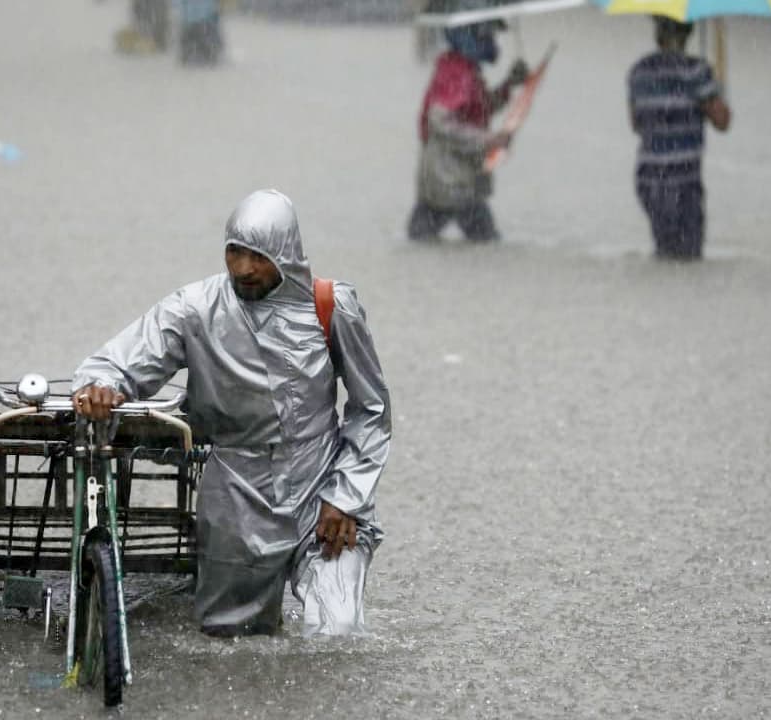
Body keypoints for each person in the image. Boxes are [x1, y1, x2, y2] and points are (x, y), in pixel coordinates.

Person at [71, 190, 391, 638]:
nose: (243, 268)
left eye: (257, 256)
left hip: (321, 488)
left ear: (286, 255)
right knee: (231, 640)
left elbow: (371, 407)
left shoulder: (331, 307)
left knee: (336, 632)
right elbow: (116, 362)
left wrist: (346, 496)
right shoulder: (195, 309)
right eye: (234, 252)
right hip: (236, 494)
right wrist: (102, 388)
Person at [407, 14, 529, 243]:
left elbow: (478, 110)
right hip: (452, 180)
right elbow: (441, 121)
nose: (492, 41)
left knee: (420, 239)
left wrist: (510, 84)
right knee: (486, 242)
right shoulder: (457, 73)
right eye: (487, 35)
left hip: (446, 180)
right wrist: (489, 139)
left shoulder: (463, 69)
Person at [628, 16, 732, 260]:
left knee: (665, 252)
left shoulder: (639, 72)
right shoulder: (697, 71)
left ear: (658, 33)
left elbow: (635, 124)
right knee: (689, 258)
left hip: (649, 179)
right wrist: (717, 90)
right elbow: (722, 122)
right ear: (689, 33)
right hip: (683, 180)